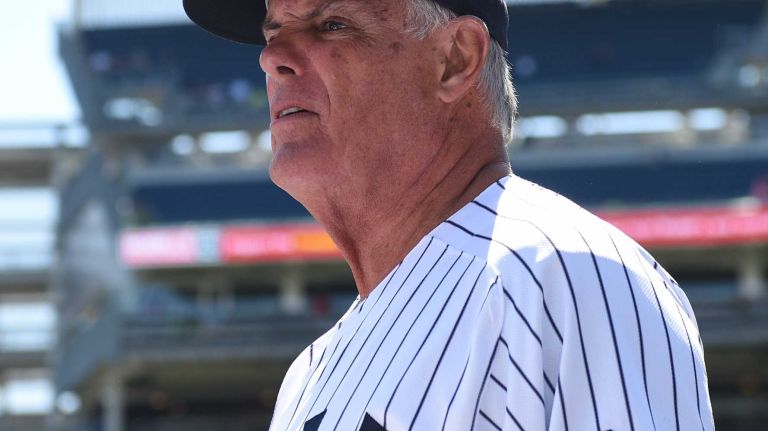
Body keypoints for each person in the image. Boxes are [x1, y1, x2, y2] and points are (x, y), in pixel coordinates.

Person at [183, 0, 714, 429]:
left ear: (455, 59)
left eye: (332, 23)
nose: (271, 57)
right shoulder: (310, 371)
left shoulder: (565, 271)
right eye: (275, 30)